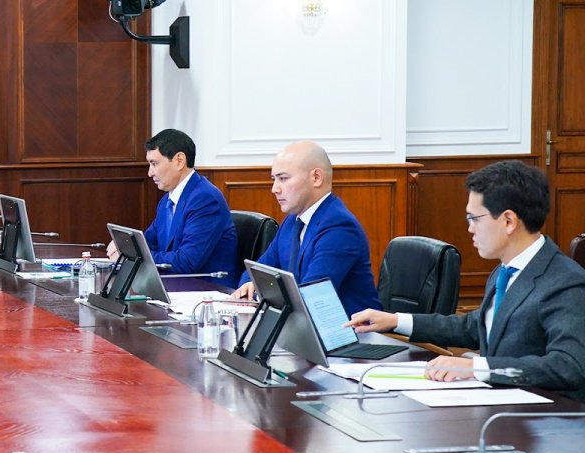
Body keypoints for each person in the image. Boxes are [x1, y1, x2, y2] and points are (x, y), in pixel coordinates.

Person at [347, 161, 585, 398]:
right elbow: (476, 327)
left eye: (474, 218)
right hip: (501, 404)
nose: (470, 228)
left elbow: (568, 365)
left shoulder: (565, 282)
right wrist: (395, 320)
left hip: (544, 413)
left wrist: (477, 368)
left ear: (508, 221)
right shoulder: (505, 271)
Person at [233, 141, 381, 315]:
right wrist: (250, 285)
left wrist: (260, 292)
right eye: (274, 180)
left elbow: (311, 297)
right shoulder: (292, 221)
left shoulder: (339, 227)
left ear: (316, 178)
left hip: (349, 329)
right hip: (302, 325)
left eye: (283, 178)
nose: (274, 189)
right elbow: (257, 271)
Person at [108, 129, 238, 287]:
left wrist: (135, 255)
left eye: (154, 164)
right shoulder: (167, 201)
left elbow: (187, 262)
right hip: (175, 286)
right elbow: (148, 243)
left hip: (207, 290)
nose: (149, 173)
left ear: (179, 161)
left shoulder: (205, 199)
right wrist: (125, 247)